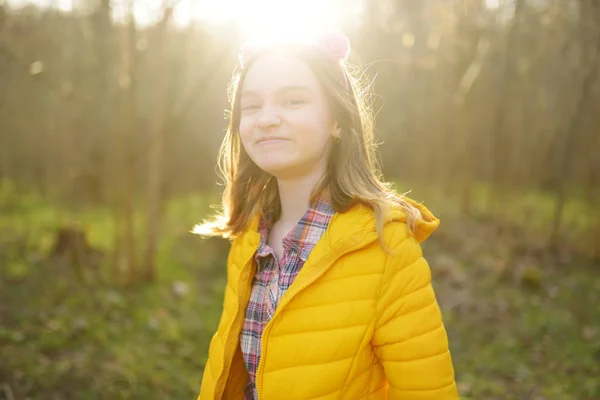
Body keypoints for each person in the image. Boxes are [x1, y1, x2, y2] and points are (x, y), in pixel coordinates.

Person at [194, 29, 458, 400]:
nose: (267, 118)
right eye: (251, 106)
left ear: (337, 121)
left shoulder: (385, 245)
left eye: (293, 101)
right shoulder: (249, 237)